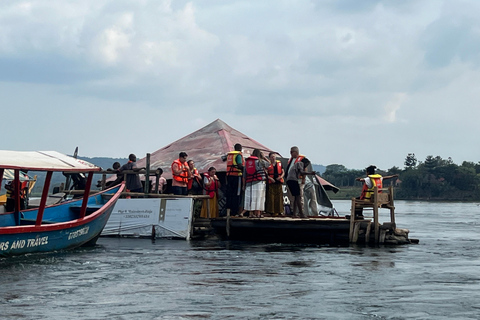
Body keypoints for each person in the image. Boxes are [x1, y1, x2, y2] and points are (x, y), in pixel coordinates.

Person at [285, 146, 314, 218]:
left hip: (290, 180)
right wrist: (310, 173)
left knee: (295, 197)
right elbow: (302, 172)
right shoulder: (300, 163)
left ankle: (294, 214)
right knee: (298, 197)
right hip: (293, 180)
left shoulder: (297, 162)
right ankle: (301, 213)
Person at [242, 149, 270, 218]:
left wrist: (243, 185)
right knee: (259, 198)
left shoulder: (247, 162)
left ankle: (251, 214)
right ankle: (258, 214)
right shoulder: (260, 161)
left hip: (249, 183)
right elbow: (269, 164)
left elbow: (244, 175)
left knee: (250, 199)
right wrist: (264, 157)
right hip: (259, 182)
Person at [225, 143, 245, 216]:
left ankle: (228, 211)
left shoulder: (229, 155)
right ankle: (235, 211)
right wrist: (245, 169)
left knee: (230, 194)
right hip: (237, 176)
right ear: (240, 149)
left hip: (229, 176)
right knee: (237, 194)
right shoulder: (238, 155)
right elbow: (239, 165)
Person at [265, 152, 285, 216]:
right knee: (271, 197)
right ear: (270, 158)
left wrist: (281, 177)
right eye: (272, 157)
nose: (273, 158)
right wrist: (271, 178)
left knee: (279, 197)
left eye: (274, 156)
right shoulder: (268, 164)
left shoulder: (279, 163)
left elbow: (283, 172)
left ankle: (280, 211)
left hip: (278, 182)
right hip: (271, 182)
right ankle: (271, 211)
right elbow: (266, 174)